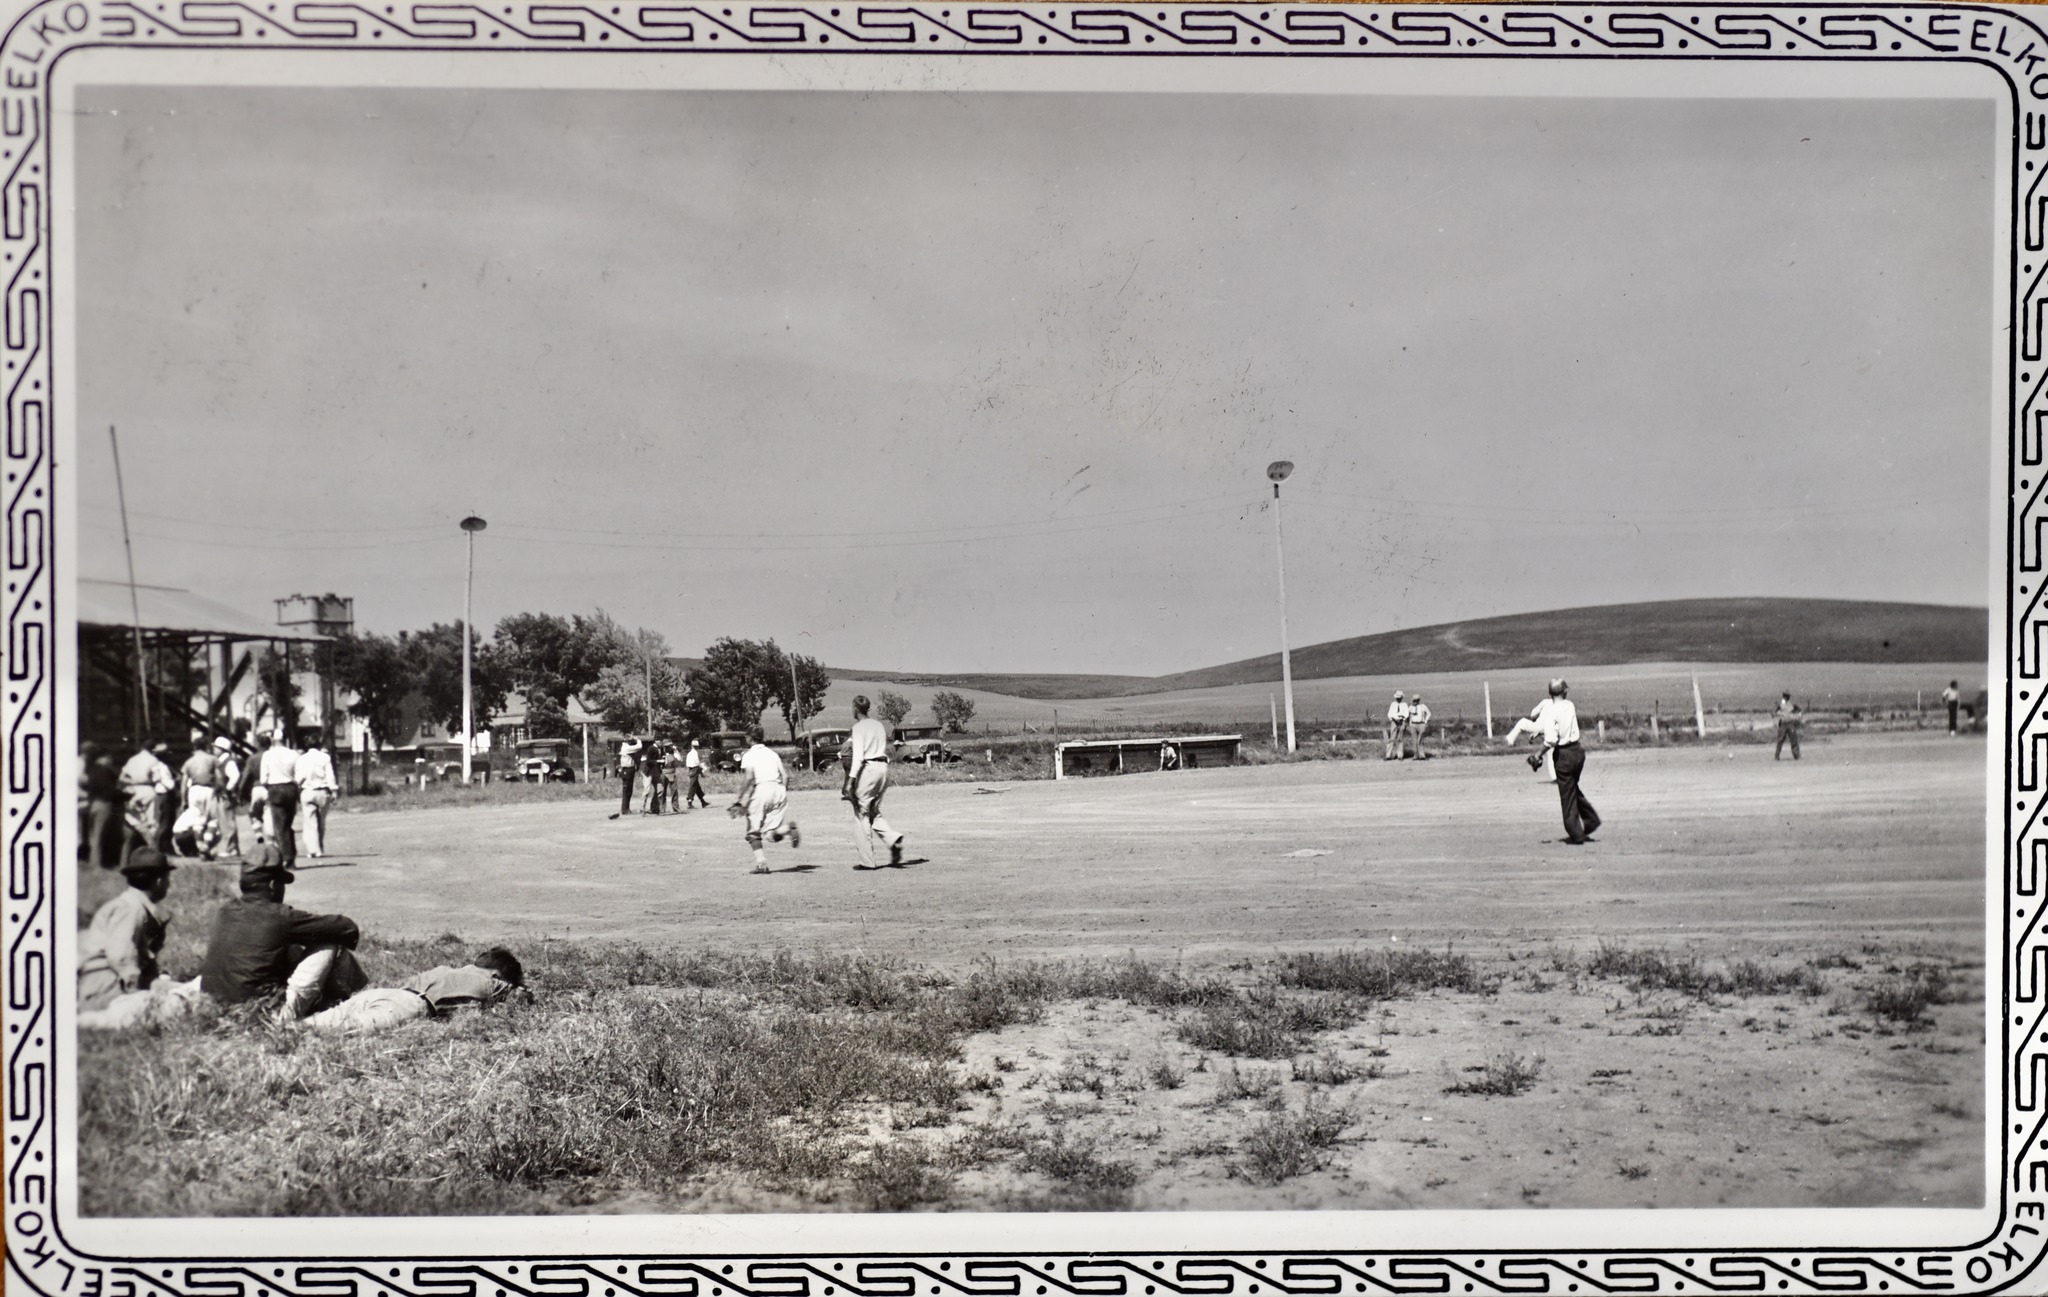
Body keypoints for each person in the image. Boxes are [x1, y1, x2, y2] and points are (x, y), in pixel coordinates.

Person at [199, 846, 366, 1020]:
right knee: (330, 943)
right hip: (264, 1015)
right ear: (272, 884)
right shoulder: (280, 917)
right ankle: (354, 997)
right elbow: (347, 927)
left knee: (285, 945)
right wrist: (307, 933)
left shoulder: (225, 911)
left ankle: (328, 999)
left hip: (216, 1010)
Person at [300, 947, 528, 1034]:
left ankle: (283, 1030)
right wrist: (522, 988)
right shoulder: (491, 980)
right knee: (341, 1030)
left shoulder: (445, 969)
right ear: (496, 974)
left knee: (318, 1022)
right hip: (411, 1005)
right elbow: (519, 994)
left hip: (383, 993)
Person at [1506, 679, 1602, 845]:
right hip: (1578, 752)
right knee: (1572, 788)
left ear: (1550, 693)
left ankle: (1576, 834)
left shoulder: (1550, 712)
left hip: (1564, 755)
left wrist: (1537, 755)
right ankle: (1590, 819)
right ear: (1565, 692)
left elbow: (1551, 740)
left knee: (1567, 795)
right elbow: (1560, 728)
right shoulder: (1569, 705)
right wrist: (1541, 732)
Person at [78, 849, 175, 1012]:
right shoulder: (132, 909)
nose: (168, 884)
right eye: (167, 879)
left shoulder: (133, 905)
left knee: (178, 991)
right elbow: (121, 957)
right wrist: (137, 993)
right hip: (104, 987)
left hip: (107, 983)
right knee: (175, 1004)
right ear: (159, 881)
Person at [845, 695, 906, 869]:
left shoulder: (858, 728)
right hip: (883, 769)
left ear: (856, 709)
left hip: (869, 768)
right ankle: (892, 838)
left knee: (861, 813)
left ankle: (867, 861)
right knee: (872, 810)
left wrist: (851, 781)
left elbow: (858, 758)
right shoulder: (878, 725)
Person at [732, 726, 800, 874]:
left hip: (762, 789)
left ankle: (762, 864)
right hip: (779, 790)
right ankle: (788, 829)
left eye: (747, 736)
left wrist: (739, 799)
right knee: (770, 834)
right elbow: (786, 776)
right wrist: (781, 792)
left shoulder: (749, 755)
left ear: (751, 738)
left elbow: (749, 778)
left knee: (752, 832)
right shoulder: (773, 754)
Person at [118, 740, 178, 864]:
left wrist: (134, 782)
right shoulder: (153, 760)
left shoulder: (132, 759)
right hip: (148, 790)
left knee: (136, 823)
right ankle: (152, 853)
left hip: (133, 791)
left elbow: (122, 777)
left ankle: (133, 855)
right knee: (152, 823)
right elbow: (156, 778)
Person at [259, 731, 303, 866]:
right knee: (288, 825)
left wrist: (268, 788)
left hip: (275, 788)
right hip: (290, 788)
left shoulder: (267, 755)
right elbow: (300, 775)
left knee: (279, 826)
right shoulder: (293, 754)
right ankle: (291, 855)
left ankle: (286, 858)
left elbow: (263, 778)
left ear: (272, 739)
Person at [80, 742, 124, 870]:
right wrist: (124, 795)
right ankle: (97, 864)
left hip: (93, 803)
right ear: (103, 758)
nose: (110, 761)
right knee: (100, 835)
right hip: (104, 804)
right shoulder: (105, 771)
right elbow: (110, 791)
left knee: (95, 835)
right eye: (109, 758)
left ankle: (95, 862)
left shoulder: (91, 770)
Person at [295, 738, 341, 857]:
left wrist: (296, 788)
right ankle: (319, 846)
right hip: (323, 792)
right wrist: (334, 790)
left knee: (310, 822)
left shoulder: (301, 759)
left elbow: (299, 777)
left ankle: (312, 850)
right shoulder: (325, 757)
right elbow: (330, 775)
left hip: (308, 792)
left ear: (306, 745)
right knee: (321, 821)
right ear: (319, 744)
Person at [238, 734, 269, 846]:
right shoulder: (271, 756)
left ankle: (258, 835)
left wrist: (240, 792)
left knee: (253, 814)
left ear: (258, 744)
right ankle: (271, 835)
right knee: (269, 813)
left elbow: (245, 776)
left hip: (256, 788)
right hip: (270, 788)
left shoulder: (252, 759)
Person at [612, 736, 642, 820]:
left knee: (628, 790)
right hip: (627, 770)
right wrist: (638, 739)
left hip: (629, 769)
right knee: (626, 790)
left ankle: (626, 808)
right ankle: (624, 809)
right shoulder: (626, 748)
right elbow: (639, 746)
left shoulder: (626, 747)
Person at [1773, 691, 1802, 761]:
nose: (1785, 698)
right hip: (1784, 724)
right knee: (1781, 740)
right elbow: (1775, 713)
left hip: (1789, 724)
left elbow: (1798, 711)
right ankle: (1777, 755)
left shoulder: (1790, 705)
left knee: (1793, 739)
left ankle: (1796, 755)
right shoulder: (1783, 705)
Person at [684, 739, 710, 809]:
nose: (696, 747)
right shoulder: (695, 753)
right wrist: (702, 770)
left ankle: (703, 802)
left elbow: (687, 764)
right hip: (695, 769)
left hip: (691, 769)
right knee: (693, 786)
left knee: (696, 786)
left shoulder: (689, 753)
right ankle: (689, 802)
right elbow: (697, 763)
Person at [1383, 692, 1409, 761]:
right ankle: (1388, 755)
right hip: (1394, 722)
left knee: (1400, 739)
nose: (1398, 699)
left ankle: (1400, 755)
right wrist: (1394, 719)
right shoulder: (1393, 704)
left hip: (1402, 721)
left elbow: (1406, 713)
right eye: (1397, 698)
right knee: (1392, 738)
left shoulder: (1404, 704)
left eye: (1399, 697)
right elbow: (1390, 714)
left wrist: (1402, 718)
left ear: (1402, 697)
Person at [1407, 694, 1432, 760]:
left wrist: (1425, 721)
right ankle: (1416, 755)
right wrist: (1409, 724)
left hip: (1421, 724)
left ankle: (1422, 755)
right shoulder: (1410, 707)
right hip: (1413, 725)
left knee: (1420, 740)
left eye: (1416, 700)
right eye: (1414, 700)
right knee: (1414, 740)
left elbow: (1429, 713)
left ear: (1418, 700)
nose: (1415, 702)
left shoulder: (1423, 706)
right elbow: (1408, 716)